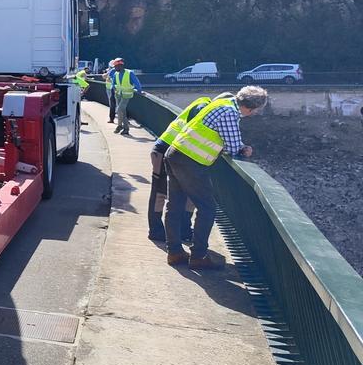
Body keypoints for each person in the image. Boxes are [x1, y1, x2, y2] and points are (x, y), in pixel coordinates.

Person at [164, 85, 268, 270]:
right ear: (251, 108)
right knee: (207, 208)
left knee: (174, 205)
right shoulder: (229, 113)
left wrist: (237, 144)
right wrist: (245, 149)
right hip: (191, 162)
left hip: (175, 153)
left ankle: (174, 252)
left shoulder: (223, 102)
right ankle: (198, 256)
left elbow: (226, 137)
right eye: (256, 111)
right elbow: (232, 146)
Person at [147, 94, 230, 242]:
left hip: (173, 151)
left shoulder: (202, 104)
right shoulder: (203, 107)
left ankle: (183, 230)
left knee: (184, 195)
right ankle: (156, 230)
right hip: (166, 149)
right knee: (160, 193)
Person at [110, 58, 142, 135]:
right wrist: (114, 88)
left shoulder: (129, 73)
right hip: (118, 94)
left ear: (120, 66)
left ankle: (120, 126)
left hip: (126, 95)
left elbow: (137, 82)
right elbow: (113, 83)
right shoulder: (116, 74)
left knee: (119, 109)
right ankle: (125, 129)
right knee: (122, 112)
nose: (114, 68)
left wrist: (139, 90)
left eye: (115, 66)